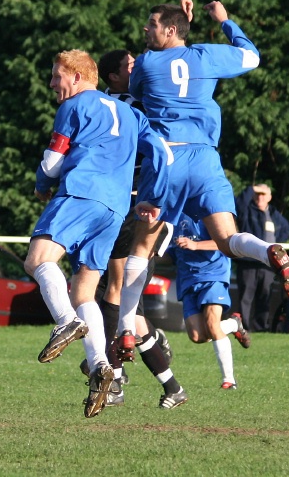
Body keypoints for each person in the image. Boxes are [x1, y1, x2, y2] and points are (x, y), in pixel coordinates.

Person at [116, 0, 289, 367]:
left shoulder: (147, 63)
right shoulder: (206, 56)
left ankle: (124, 329)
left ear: (169, 30)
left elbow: (141, 90)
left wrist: (181, 28)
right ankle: (269, 252)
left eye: (151, 24)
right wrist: (224, 21)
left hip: (167, 159)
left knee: (141, 246)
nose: (145, 30)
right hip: (205, 158)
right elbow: (251, 57)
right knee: (228, 242)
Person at [23, 49, 171, 418]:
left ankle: (66, 322)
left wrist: (43, 183)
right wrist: (152, 196)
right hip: (117, 208)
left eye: (57, 75)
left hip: (82, 192)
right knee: (83, 290)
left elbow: (54, 161)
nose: (54, 83)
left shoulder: (74, 106)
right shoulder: (131, 113)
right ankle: (103, 366)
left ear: (77, 75)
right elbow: (162, 154)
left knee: (37, 260)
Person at [93, 50, 182, 408]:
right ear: (113, 77)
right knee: (126, 308)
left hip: (140, 208)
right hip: (128, 203)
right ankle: (171, 387)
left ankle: (112, 376)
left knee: (115, 296)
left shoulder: (119, 104)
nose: (138, 69)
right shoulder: (130, 104)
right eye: (130, 67)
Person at [168, 214, 251, 389]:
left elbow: (227, 241)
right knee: (198, 336)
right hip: (188, 279)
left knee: (212, 325)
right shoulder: (174, 215)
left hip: (213, 275)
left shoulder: (210, 211)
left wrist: (196, 245)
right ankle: (233, 324)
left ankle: (229, 380)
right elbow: (170, 252)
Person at [233, 184, 289, 331]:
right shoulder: (246, 211)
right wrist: (252, 188)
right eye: (257, 194)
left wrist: (277, 246)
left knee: (265, 297)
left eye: (263, 194)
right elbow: (238, 204)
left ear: (270, 197)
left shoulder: (274, 215)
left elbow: (286, 229)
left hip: (267, 264)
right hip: (248, 263)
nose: (260, 197)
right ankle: (244, 328)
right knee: (245, 297)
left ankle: (260, 328)